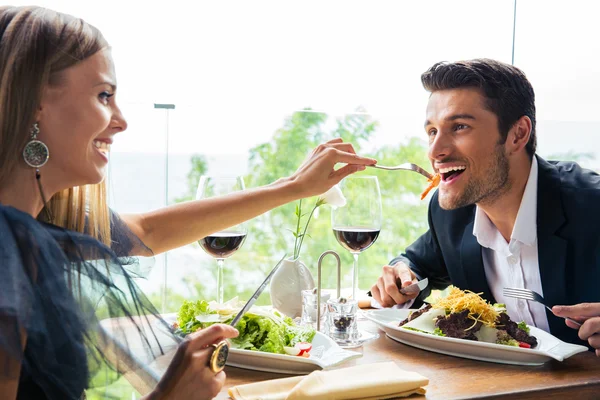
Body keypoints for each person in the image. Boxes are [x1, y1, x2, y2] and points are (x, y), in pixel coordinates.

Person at [0, 6, 377, 400]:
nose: (121, 120)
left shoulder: (33, 228)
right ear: (34, 101)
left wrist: (293, 187)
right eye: (104, 95)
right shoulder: (8, 253)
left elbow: (148, 231)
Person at [369, 58, 600, 354]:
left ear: (517, 135)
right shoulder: (451, 214)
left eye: (460, 127)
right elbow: (417, 265)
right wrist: (401, 275)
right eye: (432, 131)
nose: (435, 151)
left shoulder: (590, 206)